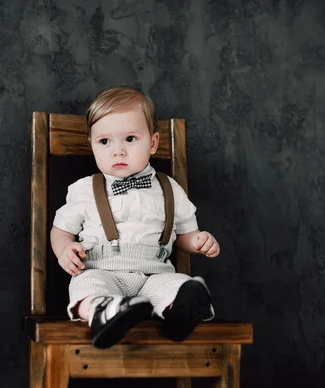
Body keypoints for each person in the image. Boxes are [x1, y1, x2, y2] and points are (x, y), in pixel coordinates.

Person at [50, 85, 220, 349]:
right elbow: (61, 230)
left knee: (179, 284)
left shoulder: (169, 188)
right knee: (87, 283)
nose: (117, 150)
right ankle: (105, 312)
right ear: (92, 145)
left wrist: (198, 241)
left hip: (154, 275)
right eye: (105, 141)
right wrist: (64, 250)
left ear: (152, 143)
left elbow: (184, 235)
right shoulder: (84, 189)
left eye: (130, 139)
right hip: (103, 270)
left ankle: (180, 313)